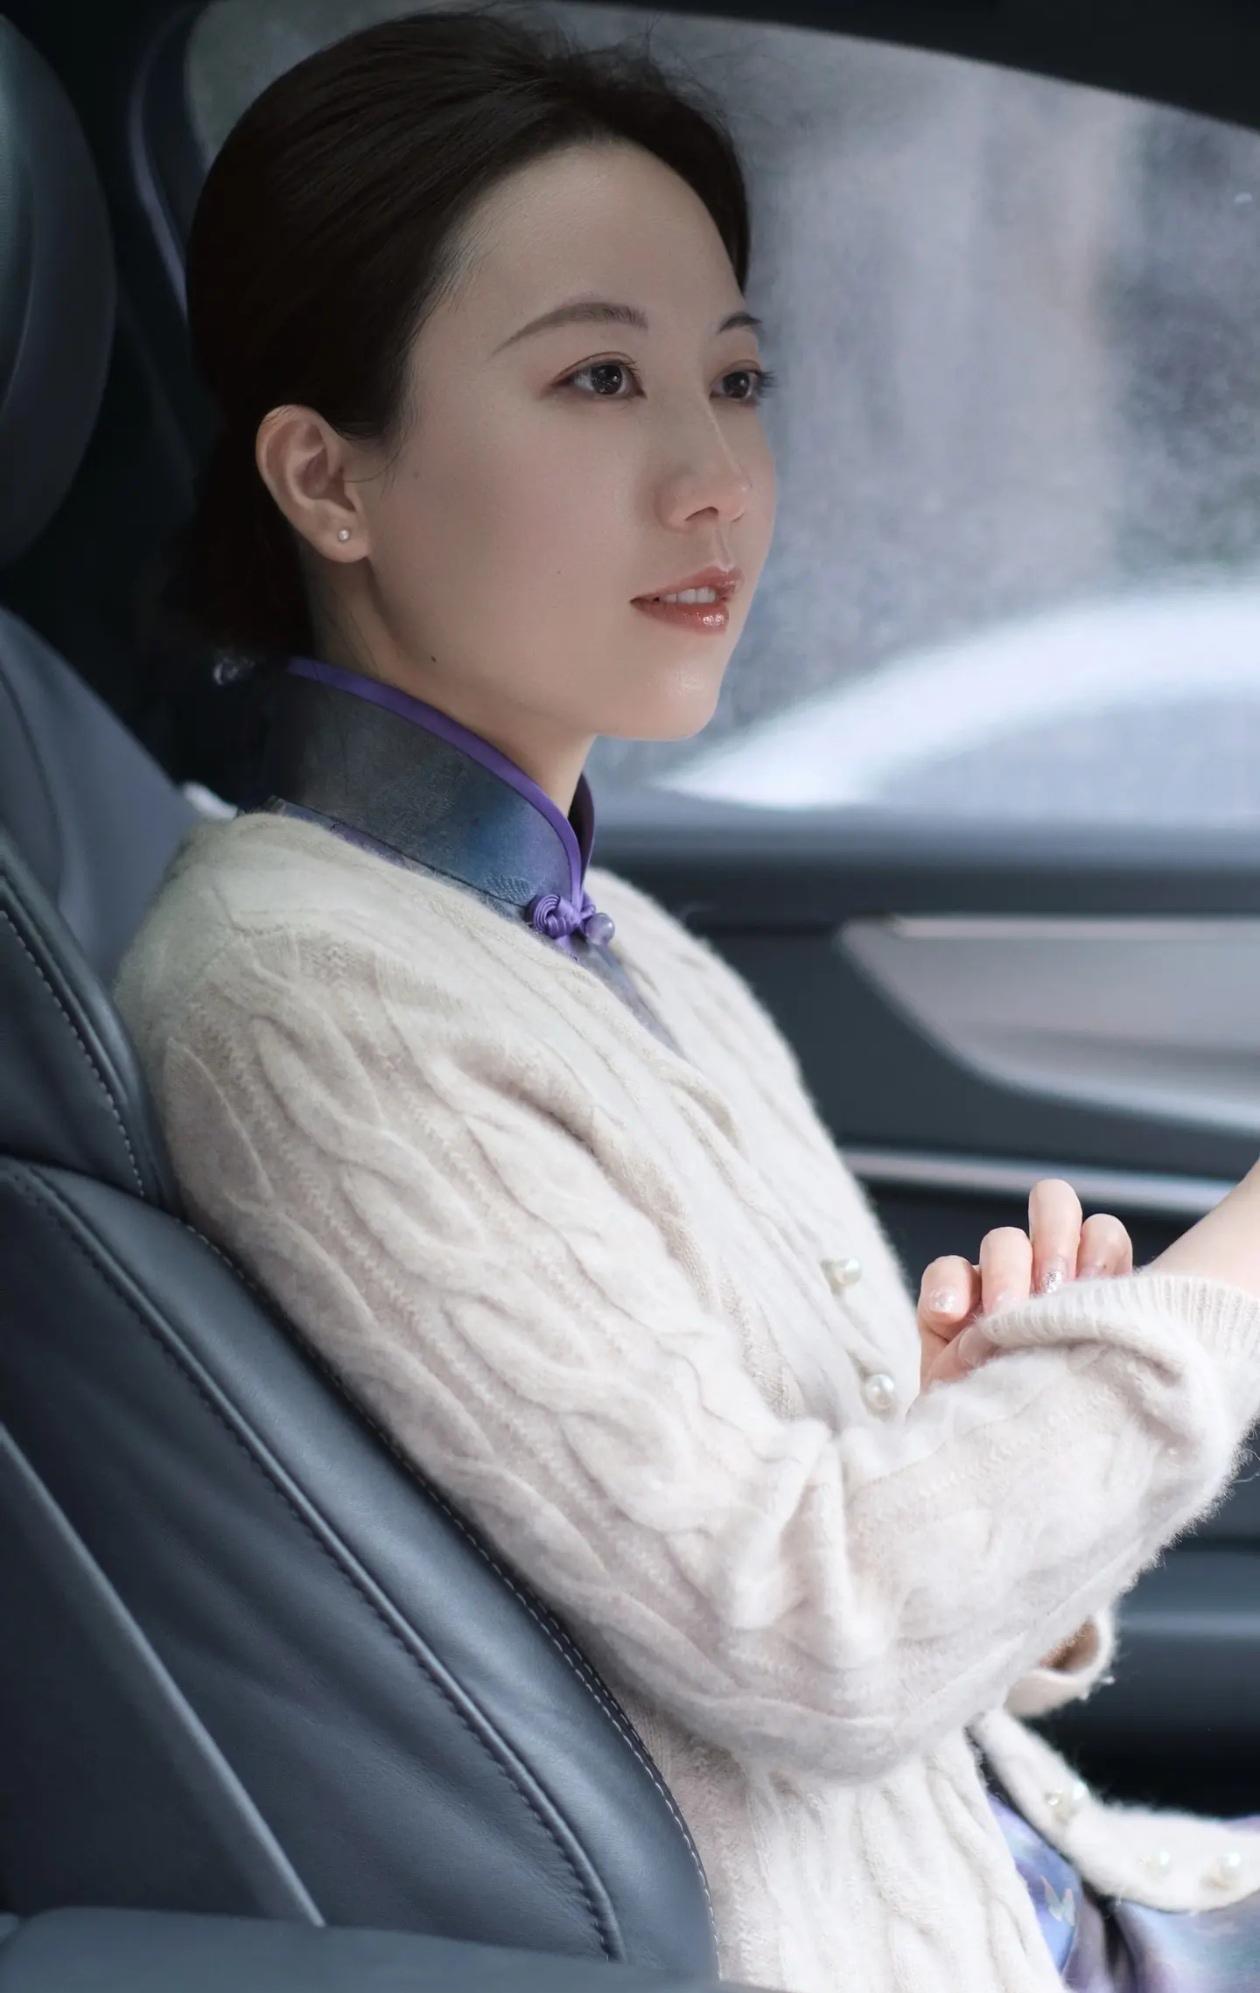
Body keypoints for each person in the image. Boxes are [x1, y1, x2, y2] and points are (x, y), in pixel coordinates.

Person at [115, 8, 1260, 1988]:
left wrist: (965, 1427)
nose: (716, 478)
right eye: (598, 378)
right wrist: (1223, 1296)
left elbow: (826, 1593)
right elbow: (813, 1629)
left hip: (1052, 1896)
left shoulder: (625, 950)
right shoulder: (304, 993)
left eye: (735, 380)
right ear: (326, 477)